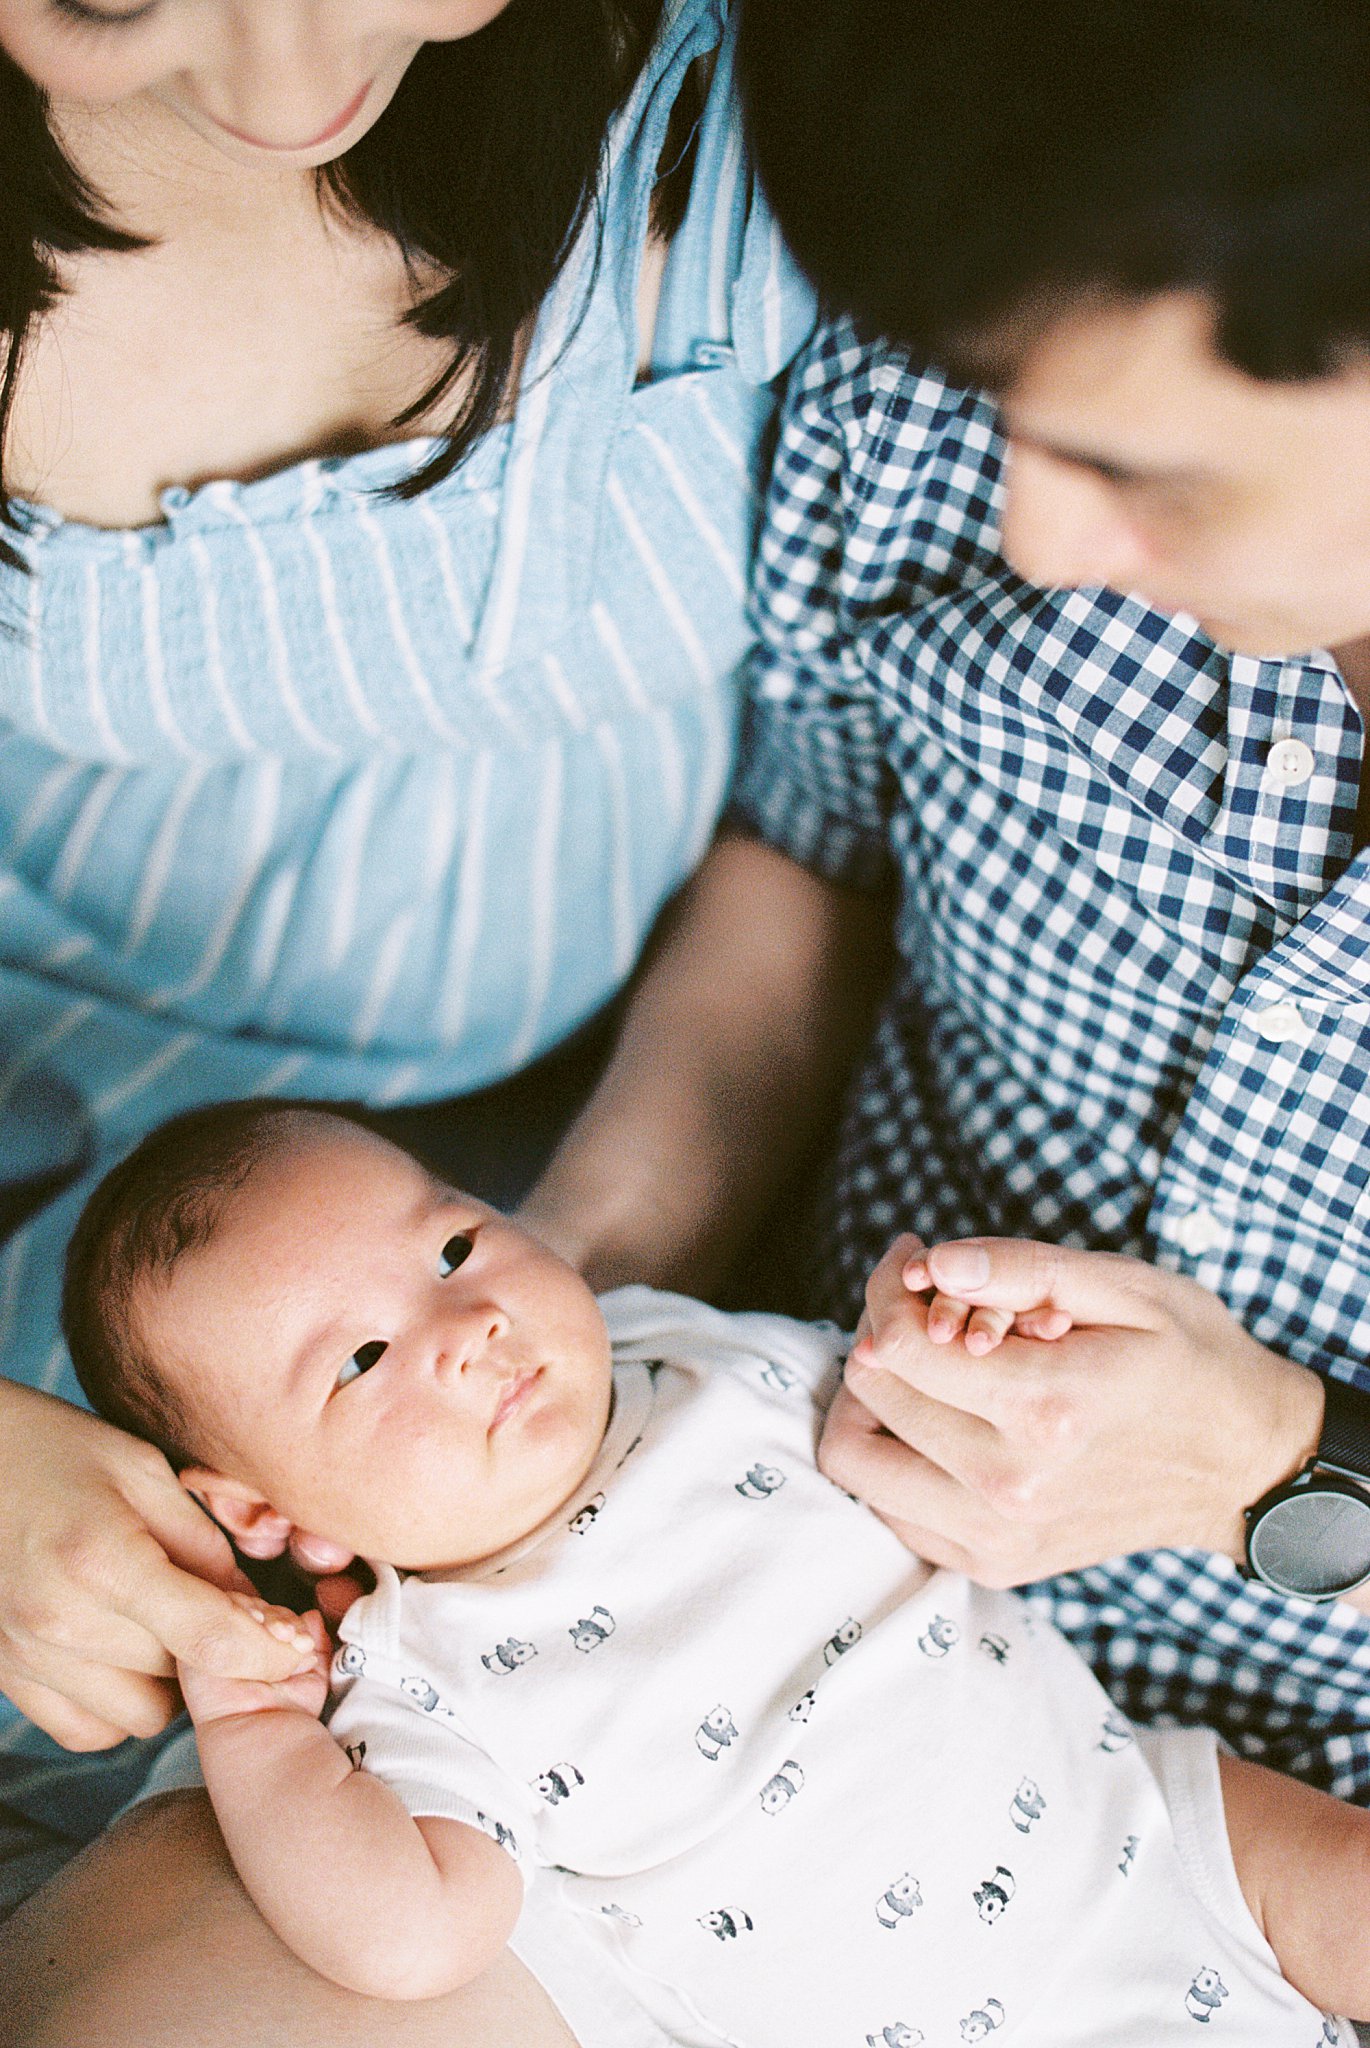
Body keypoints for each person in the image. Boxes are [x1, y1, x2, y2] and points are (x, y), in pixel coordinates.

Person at [0, 3, 882, 2041]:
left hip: (564, 1175)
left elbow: (823, 821)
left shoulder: (749, 105)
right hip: (76, 1133)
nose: (284, 72)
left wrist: (574, 1303)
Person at [55, 1097, 1366, 2044]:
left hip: (1158, 1850)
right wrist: (248, 1723)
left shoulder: (675, 1354)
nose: (467, 1328)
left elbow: (909, 1418)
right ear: (268, 1514)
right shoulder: (415, 1670)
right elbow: (412, 1939)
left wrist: (950, 1334)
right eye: (359, 1361)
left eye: (453, 1246)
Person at [725, 0, 1370, 1810]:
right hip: (780, 1569)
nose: (1032, 535)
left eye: (1139, 474)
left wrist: (1283, 1473)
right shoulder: (956, 340)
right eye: (1013, 416)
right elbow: (810, 847)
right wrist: (588, 1264)